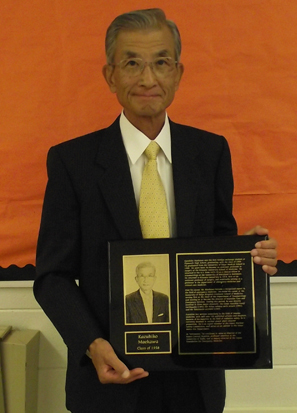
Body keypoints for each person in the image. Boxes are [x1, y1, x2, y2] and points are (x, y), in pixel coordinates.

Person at [34, 8, 278, 413]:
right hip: (108, 379)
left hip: (195, 382)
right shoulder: (71, 162)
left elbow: (216, 256)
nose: (148, 79)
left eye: (161, 63)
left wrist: (250, 258)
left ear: (178, 73)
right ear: (110, 75)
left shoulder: (210, 152)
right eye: (132, 63)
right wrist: (92, 346)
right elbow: (52, 277)